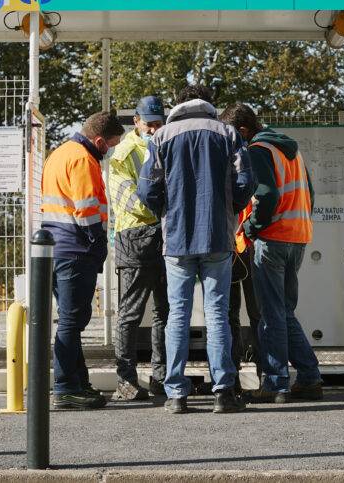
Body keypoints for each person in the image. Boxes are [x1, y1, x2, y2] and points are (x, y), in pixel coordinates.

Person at [137, 84, 256, 415]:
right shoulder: (228, 133)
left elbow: (146, 188)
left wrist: (166, 211)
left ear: (178, 103)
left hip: (176, 238)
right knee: (217, 314)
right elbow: (246, 182)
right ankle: (223, 392)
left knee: (177, 313)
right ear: (210, 103)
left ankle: (176, 394)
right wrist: (229, 209)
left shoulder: (160, 138)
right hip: (218, 235)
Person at [223, 104, 323, 403]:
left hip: (272, 238)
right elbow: (310, 193)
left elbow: (265, 195)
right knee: (285, 312)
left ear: (242, 131)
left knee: (271, 315)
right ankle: (309, 377)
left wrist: (251, 229)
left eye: (232, 137)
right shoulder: (288, 148)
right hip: (298, 236)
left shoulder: (257, 150)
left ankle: (276, 383)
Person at [41, 110, 125, 410]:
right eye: (111, 144)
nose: (111, 150)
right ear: (100, 140)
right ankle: (65, 387)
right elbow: (87, 208)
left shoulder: (59, 153)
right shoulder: (82, 160)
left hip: (55, 248)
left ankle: (78, 383)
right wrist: (99, 244)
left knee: (70, 320)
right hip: (76, 250)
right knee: (72, 321)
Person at [108, 96, 168, 401]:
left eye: (160, 123)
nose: (155, 129)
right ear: (136, 122)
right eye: (150, 124)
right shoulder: (124, 153)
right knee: (130, 313)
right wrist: (167, 212)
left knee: (164, 313)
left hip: (162, 236)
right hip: (135, 236)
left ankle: (161, 377)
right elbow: (132, 201)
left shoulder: (166, 145)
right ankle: (126, 381)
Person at [219, 106, 265, 395]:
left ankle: (234, 380)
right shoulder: (258, 151)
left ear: (243, 131)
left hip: (241, 243)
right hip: (247, 243)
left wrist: (245, 230)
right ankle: (264, 378)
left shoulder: (252, 153)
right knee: (252, 314)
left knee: (233, 313)